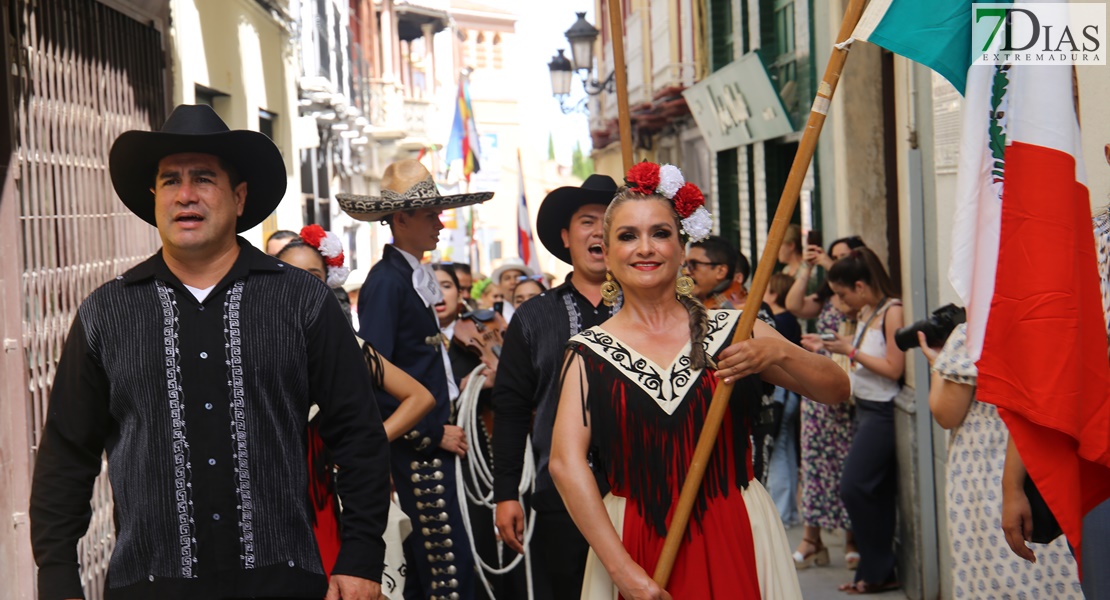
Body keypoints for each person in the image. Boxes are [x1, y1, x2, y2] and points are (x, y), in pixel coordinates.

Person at [29, 104, 391, 600]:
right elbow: (66, 456)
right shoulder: (106, 314)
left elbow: (358, 434)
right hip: (151, 585)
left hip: (282, 580)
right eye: (170, 180)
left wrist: (362, 555)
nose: (186, 195)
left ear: (239, 197)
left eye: (204, 178)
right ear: (154, 196)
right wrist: (56, 574)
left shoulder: (300, 301)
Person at [549, 162, 849, 599]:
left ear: (682, 246)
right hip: (636, 541)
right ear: (608, 254)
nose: (645, 248)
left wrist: (781, 350)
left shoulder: (735, 328)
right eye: (628, 236)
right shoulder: (587, 352)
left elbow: (836, 390)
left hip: (735, 529)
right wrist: (623, 570)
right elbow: (565, 463)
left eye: (661, 233)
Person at [338, 159, 494, 600]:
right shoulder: (387, 282)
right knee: (443, 577)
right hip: (417, 452)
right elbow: (377, 376)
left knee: (445, 573)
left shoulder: (406, 275)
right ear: (401, 218)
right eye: (431, 215)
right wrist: (429, 433)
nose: (440, 224)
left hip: (430, 443)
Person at [279, 226, 436, 586]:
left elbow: (420, 397)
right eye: (292, 275)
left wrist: (370, 441)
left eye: (314, 276)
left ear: (329, 282)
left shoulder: (346, 343)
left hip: (326, 494)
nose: (302, 285)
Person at [491, 174, 620, 600]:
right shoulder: (533, 318)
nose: (600, 230)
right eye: (587, 221)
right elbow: (510, 410)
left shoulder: (653, 311)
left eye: (611, 220)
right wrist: (506, 493)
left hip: (643, 494)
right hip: (560, 495)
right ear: (565, 237)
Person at [916, 323, 1082, 599]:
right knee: (1054, 574)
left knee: (999, 573)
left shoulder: (974, 331)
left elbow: (946, 413)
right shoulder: (1053, 323)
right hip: (1050, 465)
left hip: (987, 476)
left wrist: (938, 365)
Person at [821, 247, 905, 594]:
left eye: (842, 294)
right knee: (873, 492)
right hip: (865, 409)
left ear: (859, 285)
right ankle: (873, 573)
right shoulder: (869, 309)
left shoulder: (892, 311)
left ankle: (879, 569)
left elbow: (893, 369)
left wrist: (850, 351)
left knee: (853, 487)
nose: (841, 302)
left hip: (882, 412)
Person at [786, 235, 865, 570]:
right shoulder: (828, 298)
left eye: (845, 257)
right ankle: (811, 538)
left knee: (844, 467)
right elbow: (793, 304)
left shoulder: (858, 299)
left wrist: (833, 268)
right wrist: (807, 265)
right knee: (815, 466)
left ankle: (850, 539)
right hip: (819, 395)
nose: (837, 262)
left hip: (849, 392)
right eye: (834, 257)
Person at [764, 273, 802, 527]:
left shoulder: (779, 321)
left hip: (781, 393)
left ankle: (781, 513)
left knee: (778, 451)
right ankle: (787, 511)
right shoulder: (789, 319)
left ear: (775, 293)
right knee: (785, 449)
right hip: (788, 394)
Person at [685, 235, 744, 309]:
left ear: (721, 271)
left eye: (694, 264)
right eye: (686, 264)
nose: (687, 272)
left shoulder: (741, 311)